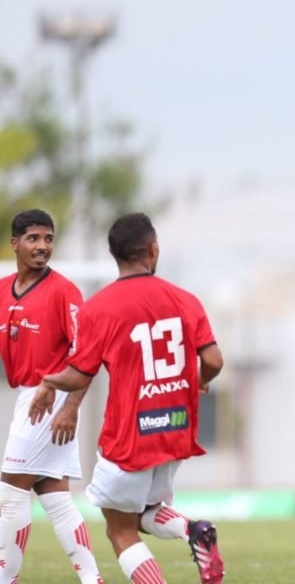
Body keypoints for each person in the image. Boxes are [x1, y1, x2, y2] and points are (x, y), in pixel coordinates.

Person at [28, 212, 225, 584]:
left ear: (112, 254)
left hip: (130, 433)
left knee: (119, 529)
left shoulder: (100, 308)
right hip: (176, 426)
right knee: (145, 510)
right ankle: (194, 530)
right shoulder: (185, 299)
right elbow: (214, 359)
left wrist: (47, 381)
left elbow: (77, 376)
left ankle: (183, 545)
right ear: (153, 250)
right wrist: (200, 382)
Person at [0, 209, 104, 583]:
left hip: (52, 400)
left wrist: (71, 407)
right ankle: (93, 579)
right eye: (33, 238)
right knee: (56, 498)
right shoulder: (2, 289)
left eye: (48, 238)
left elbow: (88, 354)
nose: (42, 246)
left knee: (9, 494)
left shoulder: (64, 292)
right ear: (15, 244)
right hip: (29, 398)